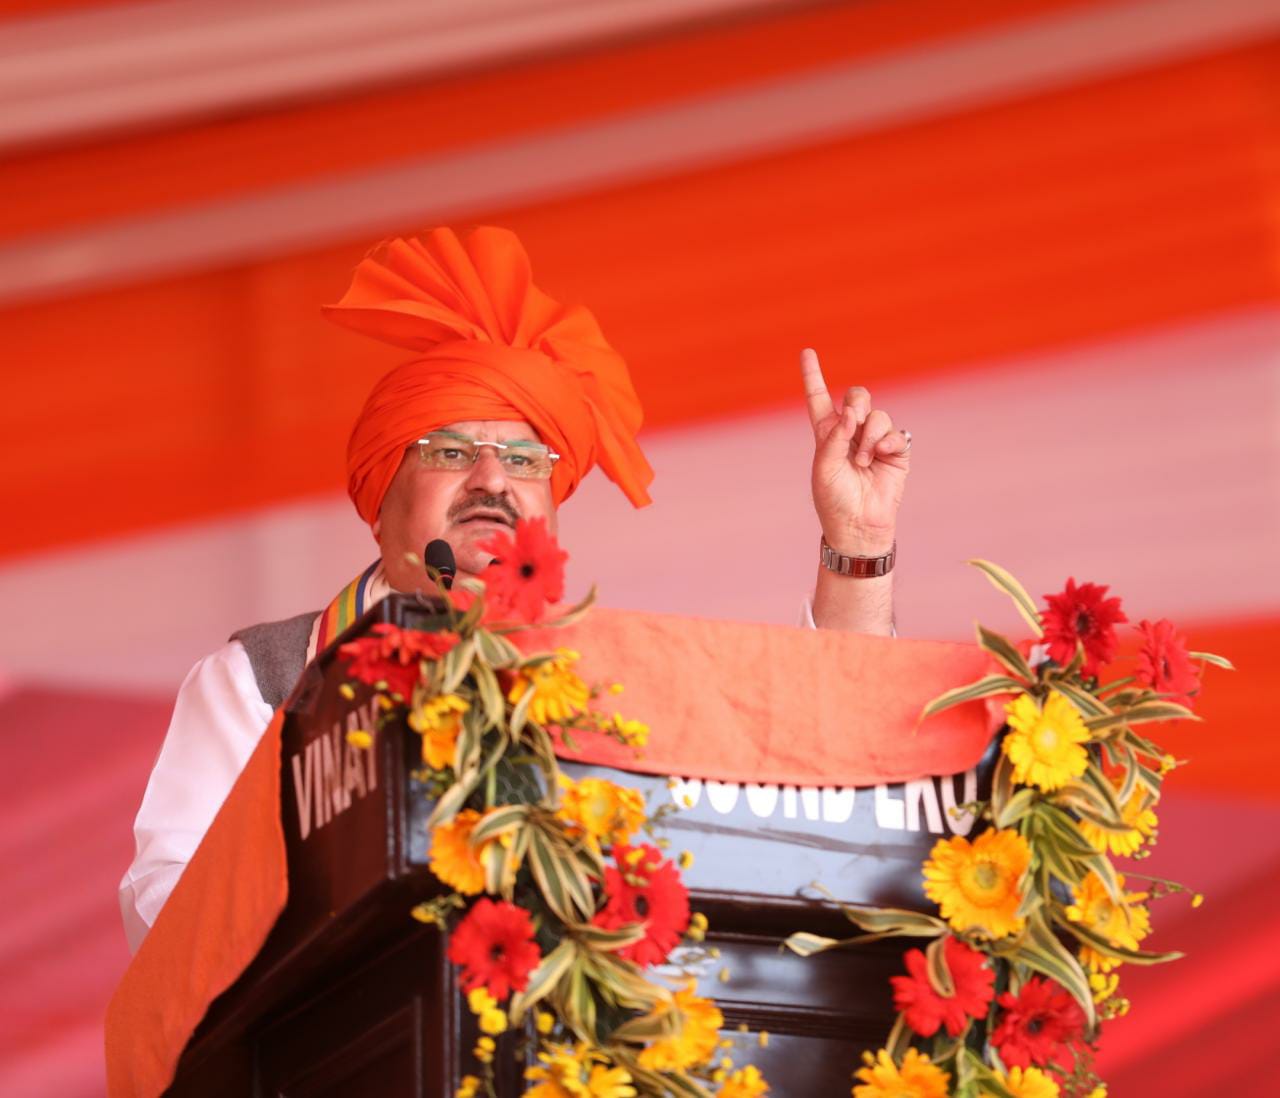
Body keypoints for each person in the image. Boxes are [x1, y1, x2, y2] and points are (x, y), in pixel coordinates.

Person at [117, 227, 911, 952]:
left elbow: (815, 760)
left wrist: (858, 545)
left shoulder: (619, 675)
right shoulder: (263, 678)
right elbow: (165, 906)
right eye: (450, 450)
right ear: (379, 500)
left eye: (527, 461)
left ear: (551, 517)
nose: (493, 480)